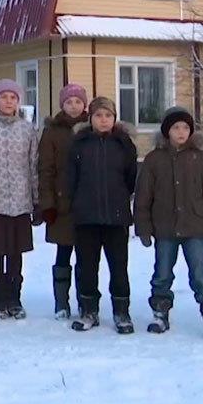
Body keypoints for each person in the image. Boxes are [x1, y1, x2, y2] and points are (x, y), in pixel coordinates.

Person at [134, 107, 203, 343]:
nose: (181, 132)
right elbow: (143, 195)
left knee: (200, 273)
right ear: (167, 131)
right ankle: (160, 312)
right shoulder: (154, 159)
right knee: (162, 273)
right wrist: (143, 227)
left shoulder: (200, 158)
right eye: (176, 127)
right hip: (165, 227)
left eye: (185, 127)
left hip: (194, 227)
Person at [66, 96, 138, 334]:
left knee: (119, 267)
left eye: (108, 115)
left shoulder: (124, 144)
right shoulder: (79, 144)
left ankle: (121, 312)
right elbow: (71, 179)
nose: (103, 120)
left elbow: (131, 178)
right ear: (90, 118)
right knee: (87, 266)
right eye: (98, 115)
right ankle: (88, 310)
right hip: (86, 217)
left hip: (116, 217)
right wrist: (76, 204)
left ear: (114, 118)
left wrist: (120, 198)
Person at [0, 79, 38, 320]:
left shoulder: (28, 129)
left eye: (13, 97)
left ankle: (14, 298)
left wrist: (36, 199)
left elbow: (33, 165)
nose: (8, 101)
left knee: (15, 253)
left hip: (20, 202)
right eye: (4, 97)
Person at [37, 83, 89, 319]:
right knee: (63, 253)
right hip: (62, 204)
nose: (74, 106)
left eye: (78, 102)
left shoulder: (91, 128)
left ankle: (85, 301)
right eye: (69, 102)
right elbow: (45, 169)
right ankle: (61, 302)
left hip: (87, 204)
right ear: (62, 105)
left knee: (86, 257)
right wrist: (47, 203)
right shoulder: (52, 132)